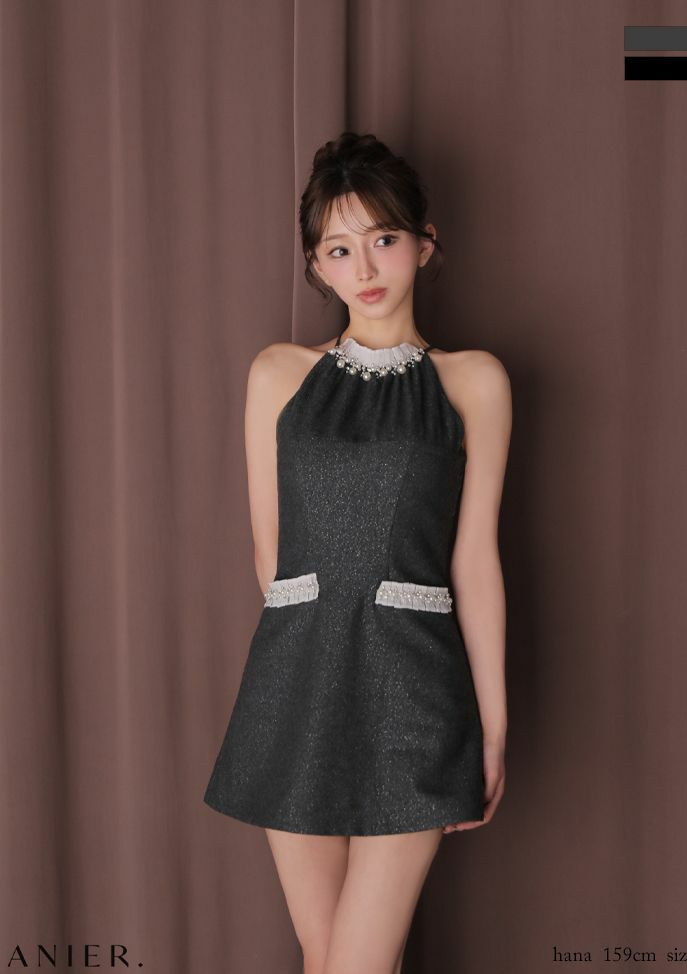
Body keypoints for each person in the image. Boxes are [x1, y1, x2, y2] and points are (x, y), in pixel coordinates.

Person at [204, 131, 512, 974]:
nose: (365, 267)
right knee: (325, 957)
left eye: (383, 238)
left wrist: (491, 729)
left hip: (415, 691)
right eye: (339, 249)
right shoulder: (278, 374)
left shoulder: (473, 381)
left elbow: (475, 562)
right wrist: (312, 638)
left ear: (425, 243)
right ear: (316, 265)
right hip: (294, 685)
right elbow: (270, 558)